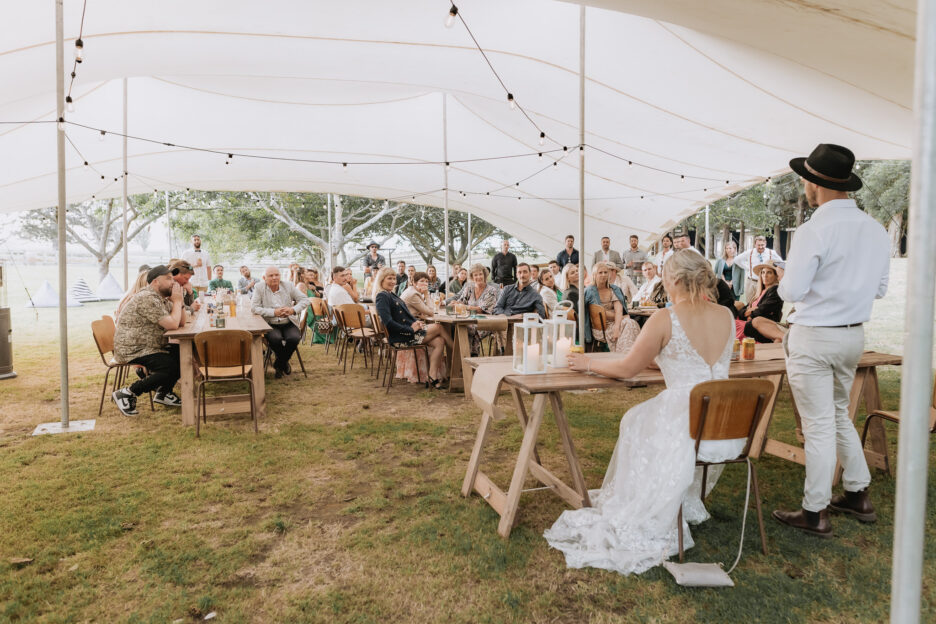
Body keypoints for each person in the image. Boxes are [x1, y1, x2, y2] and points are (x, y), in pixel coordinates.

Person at [545, 250, 739, 574]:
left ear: (675, 279)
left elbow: (628, 368)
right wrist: (662, 359)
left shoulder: (666, 317)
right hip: (726, 423)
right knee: (640, 421)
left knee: (633, 421)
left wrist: (587, 362)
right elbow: (698, 360)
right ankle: (679, 501)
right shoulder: (726, 316)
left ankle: (650, 506)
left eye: (664, 274)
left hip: (688, 418)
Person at [772, 143, 890, 537]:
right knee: (838, 414)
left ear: (814, 183)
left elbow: (790, 291)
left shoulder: (813, 230)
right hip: (852, 336)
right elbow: (881, 289)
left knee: (819, 424)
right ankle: (858, 493)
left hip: (815, 337)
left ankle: (815, 510)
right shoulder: (874, 229)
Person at [111, 265, 186, 416]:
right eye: (168, 279)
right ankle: (128, 392)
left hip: (149, 346)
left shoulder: (161, 299)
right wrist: (177, 302)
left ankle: (163, 393)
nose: (173, 282)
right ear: (156, 282)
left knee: (183, 354)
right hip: (133, 349)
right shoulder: (147, 298)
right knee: (170, 367)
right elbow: (172, 324)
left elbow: (181, 322)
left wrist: (180, 300)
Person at [374, 267, 451, 389]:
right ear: (381, 280)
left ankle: (432, 378)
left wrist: (416, 323)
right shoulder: (382, 296)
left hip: (407, 332)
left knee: (439, 342)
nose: (393, 281)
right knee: (439, 327)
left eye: (394, 278)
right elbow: (388, 322)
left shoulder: (390, 294)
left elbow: (405, 315)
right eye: (389, 278)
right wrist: (411, 329)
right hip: (401, 336)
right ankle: (458, 355)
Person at [251, 266, 309, 379]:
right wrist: (274, 312)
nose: (274, 277)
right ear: (264, 278)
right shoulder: (259, 287)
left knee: (294, 338)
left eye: (277, 275)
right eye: (271, 275)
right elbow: (254, 308)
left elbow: (305, 300)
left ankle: (279, 364)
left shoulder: (288, 285)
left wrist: (292, 310)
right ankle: (284, 363)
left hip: (288, 321)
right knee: (275, 339)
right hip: (270, 323)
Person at [585, 262, 640, 353]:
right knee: (629, 323)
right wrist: (622, 317)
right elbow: (599, 313)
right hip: (601, 327)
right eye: (600, 272)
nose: (603, 275)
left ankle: (628, 354)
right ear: (594, 275)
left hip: (616, 322)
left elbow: (619, 310)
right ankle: (625, 354)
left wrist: (616, 329)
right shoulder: (590, 291)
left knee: (632, 323)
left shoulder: (614, 289)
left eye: (605, 272)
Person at [452, 264, 500, 356]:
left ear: (485, 275)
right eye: (475, 275)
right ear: (472, 277)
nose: (478, 277)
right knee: (456, 327)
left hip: (486, 322)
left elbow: (481, 310)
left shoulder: (491, 290)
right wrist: (455, 303)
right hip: (469, 320)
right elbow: (460, 302)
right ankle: (463, 356)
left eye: (480, 274)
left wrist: (466, 307)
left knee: (469, 329)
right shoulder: (469, 288)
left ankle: (469, 357)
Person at [735, 261, 784, 342]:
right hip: (749, 322)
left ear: (776, 276)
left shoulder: (775, 290)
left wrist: (750, 313)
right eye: (763, 272)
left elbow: (763, 310)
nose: (765, 275)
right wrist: (746, 312)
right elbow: (743, 310)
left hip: (761, 325)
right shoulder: (759, 293)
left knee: (731, 325)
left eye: (769, 273)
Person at [735, 235, 784, 303]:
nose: (761, 247)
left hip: (765, 283)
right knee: (750, 302)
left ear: (766, 243)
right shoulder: (749, 252)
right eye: (758, 245)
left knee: (764, 302)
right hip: (752, 282)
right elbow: (737, 260)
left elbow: (781, 263)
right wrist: (747, 268)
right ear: (755, 244)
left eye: (762, 245)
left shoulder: (771, 252)